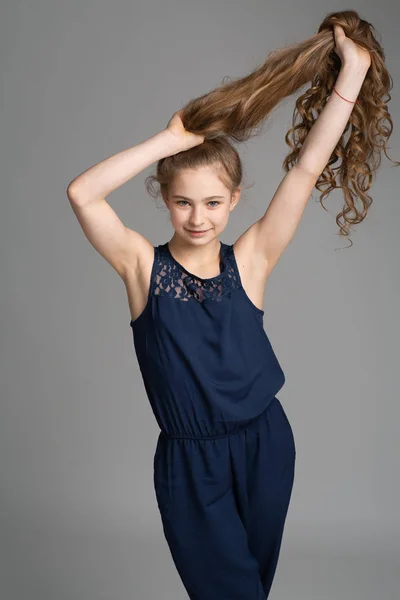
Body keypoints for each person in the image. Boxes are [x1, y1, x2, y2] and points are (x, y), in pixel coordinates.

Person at [66, 12, 395, 599]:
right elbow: (82, 194)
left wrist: (354, 72)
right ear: (164, 201)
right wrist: (169, 141)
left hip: (267, 444)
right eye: (184, 202)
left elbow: (307, 168)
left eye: (213, 203)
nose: (199, 217)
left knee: (254, 589)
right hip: (191, 464)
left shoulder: (252, 261)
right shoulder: (142, 267)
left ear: (235, 201)